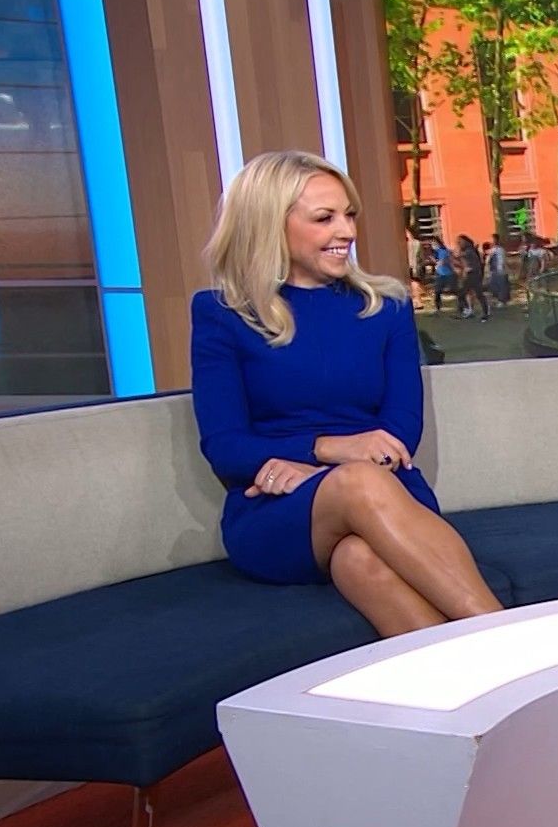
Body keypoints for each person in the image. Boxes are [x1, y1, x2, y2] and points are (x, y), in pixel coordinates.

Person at [190, 150, 504, 636]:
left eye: (349, 214)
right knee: (356, 481)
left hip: (389, 491)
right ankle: (514, 639)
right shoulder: (222, 314)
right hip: (278, 509)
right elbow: (226, 447)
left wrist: (322, 466)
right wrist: (328, 452)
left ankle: (478, 675)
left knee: (359, 558)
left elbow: (401, 430)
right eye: (325, 218)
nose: (347, 231)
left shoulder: (386, 306)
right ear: (270, 224)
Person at [455, 234, 486, 321]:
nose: (458, 243)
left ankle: (484, 312)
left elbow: (459, 257)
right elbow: (461, 262)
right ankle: (468, 310)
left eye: (460, 241)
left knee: (478, 294)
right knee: (464, 293)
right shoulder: (468, 250)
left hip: (474, 275)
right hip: (469, 275)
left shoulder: (469, 251)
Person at [485, 235, 511, 306]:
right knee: (496, 285)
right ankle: (500, 300)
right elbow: (488, 260)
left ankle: (502, 300)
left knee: (501, 286)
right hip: (495, 270)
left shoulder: (499, 250)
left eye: (493, 240)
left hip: (500, 270)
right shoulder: (495, 250)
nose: (492, 242)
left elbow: (502, 260)